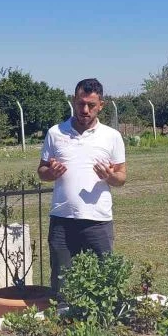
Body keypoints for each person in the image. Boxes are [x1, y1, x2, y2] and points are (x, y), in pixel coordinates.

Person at [38, 78, 126, 292]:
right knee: (62, 284)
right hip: (62, 220)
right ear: (74, 101)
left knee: (104, 283)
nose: (85, 110)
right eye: (80, 104)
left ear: (101, 105)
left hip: (98, 221)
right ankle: (62, 322)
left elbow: (122, 178)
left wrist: (109, 176)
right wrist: (51, 172)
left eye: (91, 105)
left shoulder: (112, 136)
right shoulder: (55, 133)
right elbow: (41, 171)